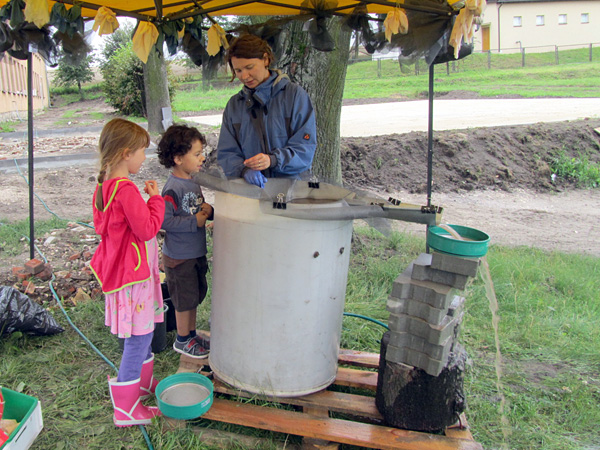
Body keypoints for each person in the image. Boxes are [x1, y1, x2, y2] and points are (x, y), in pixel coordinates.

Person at [89, 118, 165, 427]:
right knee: (140, 335)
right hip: (134, 279)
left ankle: (142, 387)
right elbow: (147, 230)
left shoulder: (105, 188)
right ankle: (126, 409)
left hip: (124, 276)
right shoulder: (126, 190)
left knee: (143, 330)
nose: (143, 158)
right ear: (125, 153)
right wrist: (156, 200)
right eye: (141, 152)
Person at [217, 34, 317, 188]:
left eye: (249, 67)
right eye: (238, 70)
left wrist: (273, 160)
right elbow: (227, 152)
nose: (244, 76)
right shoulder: (234, 106)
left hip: (292, 190)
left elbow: (305, 148)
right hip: (250, 192)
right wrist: (244, 170)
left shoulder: (294, 96)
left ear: (265, 59)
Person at [156, 124, 213, 359]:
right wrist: (195, 222)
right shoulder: (172, 188)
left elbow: (195, 209)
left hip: (194, 252)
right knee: (183, 301)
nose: (202, 158)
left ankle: (191, 335)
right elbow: (164, 222)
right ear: (178, 158)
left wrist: (208, 210)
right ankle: (182, 340)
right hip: (179, 257)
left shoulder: (192, 180)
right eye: (197, 154)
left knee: (194, 296)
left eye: (202, 153)